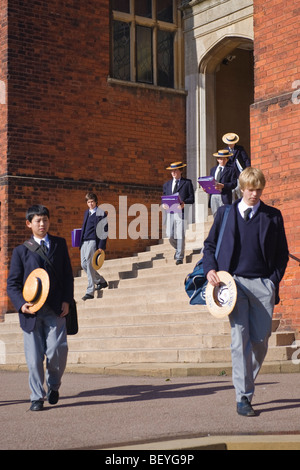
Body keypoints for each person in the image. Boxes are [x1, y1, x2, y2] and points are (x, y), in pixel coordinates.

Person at [202, 167, 289, 417]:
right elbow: (209, 246)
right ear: (242, 188)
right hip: (233, 284)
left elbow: (282, 254)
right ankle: (243, 396)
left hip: (263, 285)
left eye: (259, 189)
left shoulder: (273, 216)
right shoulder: (225, 213)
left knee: (260, 342)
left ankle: (245, 381)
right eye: (251, 189)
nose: (255, 193)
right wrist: (210, 270)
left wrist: (273, 281)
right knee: (239, 339)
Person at [7, 204, 74, 411]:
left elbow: (67, 277)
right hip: (31, 313)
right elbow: (13, 284)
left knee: (57, 351)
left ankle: (54, 385)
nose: (42, 224)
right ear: (29, 224)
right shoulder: (20, 251)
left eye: (45, 220)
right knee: (34, 358)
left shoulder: (59, 244)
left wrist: (67, 300)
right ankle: (37, 396)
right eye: (37, 220)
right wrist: (20, 305)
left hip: (55, 309)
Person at [163, 162, 194, 264]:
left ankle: (179, 257)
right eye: (172, 171)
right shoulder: (167, 184)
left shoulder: (187, 183)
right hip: (170, 212)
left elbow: (191, 198)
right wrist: (163, 204)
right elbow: (164, 198)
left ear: (181, 171)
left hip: (182, 212)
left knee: (180, 234)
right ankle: (179, 248)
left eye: (175, 170)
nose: (173, 172)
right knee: (170, 234)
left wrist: (184, 203)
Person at [79, 192, 108, 300]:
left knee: (89, 264)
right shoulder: (87, 213)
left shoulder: (101, 213)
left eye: (92, 201)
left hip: (93, 241)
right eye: (88, 202)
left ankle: (90, 291)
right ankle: (101, 281)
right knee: (83, 264)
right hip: (84, 241)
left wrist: (101, 246)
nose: (90, 204)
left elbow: (104, 231)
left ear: (96, 202)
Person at [208, 149, 237, 217]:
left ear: (227, 159)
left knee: (225, 215)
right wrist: (207, 188)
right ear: (217, 159)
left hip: (224, 196)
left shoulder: (231, 170)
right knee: (215, 215)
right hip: (214, 195)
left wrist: (223, 185)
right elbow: (210, 181)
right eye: (221, 159)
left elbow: (234, 183)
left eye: (224, 159)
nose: (222, 161)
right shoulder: (213, 170)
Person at [222, 132, 251, 199]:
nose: (231, 144)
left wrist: (248, 169)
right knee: (231, 191)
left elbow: (246, 159)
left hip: (240, 173)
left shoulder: (240, 149)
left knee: (239, 189)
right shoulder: (224, 151)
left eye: (232, 142)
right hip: (230, 174)